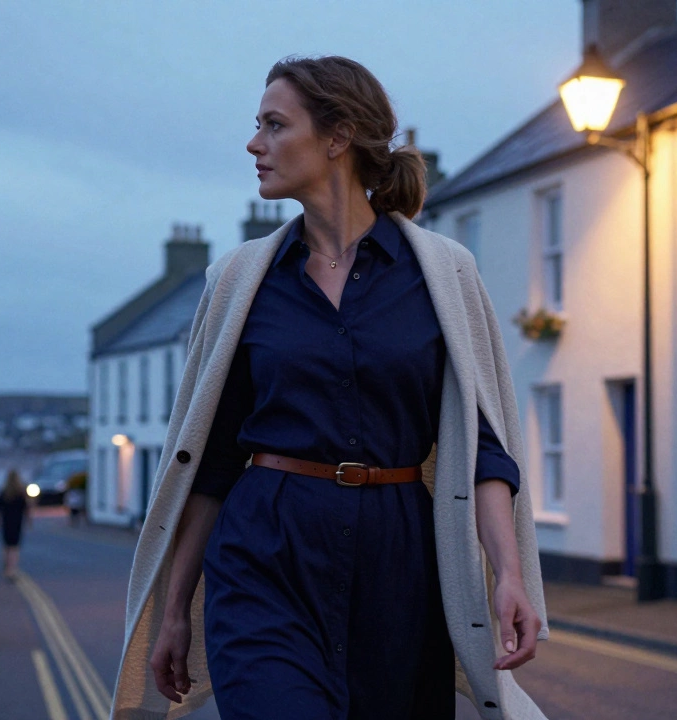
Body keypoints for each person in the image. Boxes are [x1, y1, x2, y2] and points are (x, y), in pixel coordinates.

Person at [111, 56, 548, 720]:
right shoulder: (239, 280)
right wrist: (175, 610)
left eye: (274, 125)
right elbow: (211, 458)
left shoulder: (444, 274)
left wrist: (509, 572)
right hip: (264, 556)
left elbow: (483, 443)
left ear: (338, 136)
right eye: (257, 126)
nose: (254, 144)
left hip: (401, 567)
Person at [0, 469, 30, 580]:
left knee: (6, 545)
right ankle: (12, 569)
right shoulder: (21, 493)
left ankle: (7, 567)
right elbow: (26, 509)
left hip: (6, 522)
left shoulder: (4, 492)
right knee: (15, 546)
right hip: (17, 522)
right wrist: (28, 521)